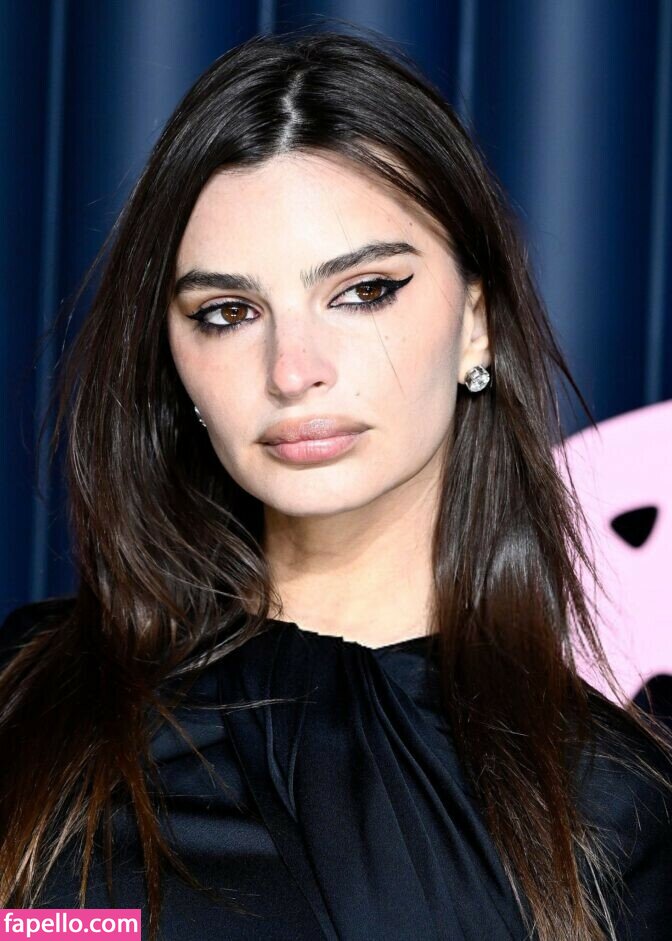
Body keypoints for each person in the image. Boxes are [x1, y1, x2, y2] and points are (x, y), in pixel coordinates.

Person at [1, 28, 670, 941]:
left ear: (477, 322)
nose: (293, 369)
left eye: (363, 291)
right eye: (228, 312)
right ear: (174, 356)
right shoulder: (30, 696)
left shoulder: (614, 805)